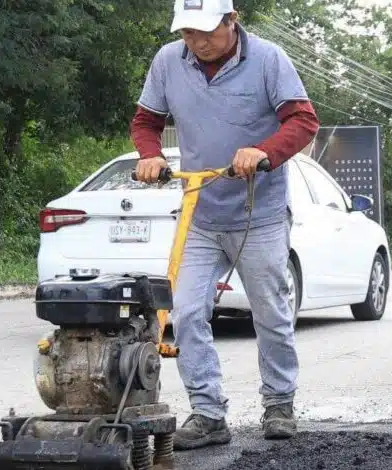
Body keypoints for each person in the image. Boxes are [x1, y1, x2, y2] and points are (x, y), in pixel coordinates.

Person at [130, 0, 320, 450]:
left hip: (260, 214)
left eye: (205, 33)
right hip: (200, 213)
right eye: (187, 34)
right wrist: (150, 154)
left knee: (270, 312)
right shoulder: (167, 62)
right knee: (186, 312)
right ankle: (209, 413)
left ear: (231, 21)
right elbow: (146, 121)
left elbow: (303, 120)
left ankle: (278, 403)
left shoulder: (269, 59)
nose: (196, 43)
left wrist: (264, 151)